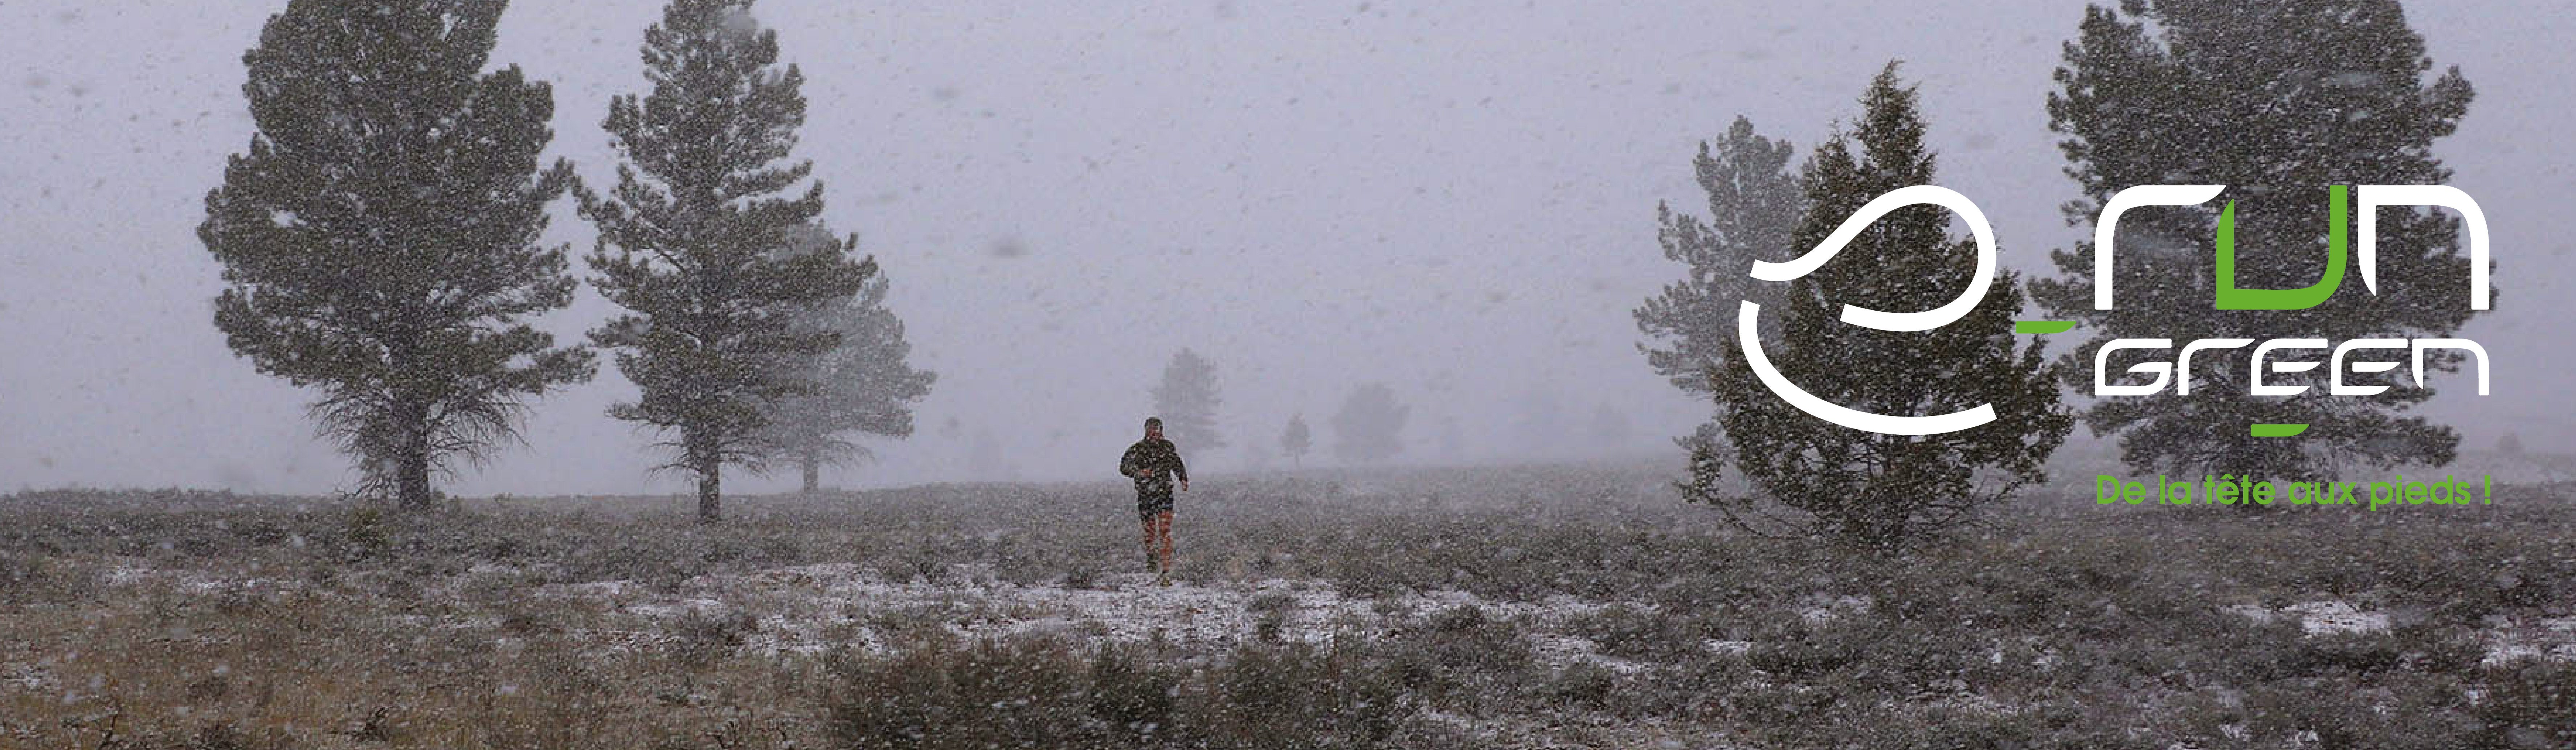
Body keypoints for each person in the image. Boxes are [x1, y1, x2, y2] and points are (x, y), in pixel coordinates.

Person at [1119, 416, 1189, 586]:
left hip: (1165, 492)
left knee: (1165, 529)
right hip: (1146, 494)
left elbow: (1177, 463)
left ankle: (1166, 566)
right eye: (1152, 429)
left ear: (1162, 430)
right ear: (1146, 431)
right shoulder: (1138, 449)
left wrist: (1183, 478)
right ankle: (1152, 556)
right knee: (1150, 531)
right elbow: (1124, 467)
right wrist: (1140, 472)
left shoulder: (1168, 448)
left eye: (1158, 429)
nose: (1155, 433)